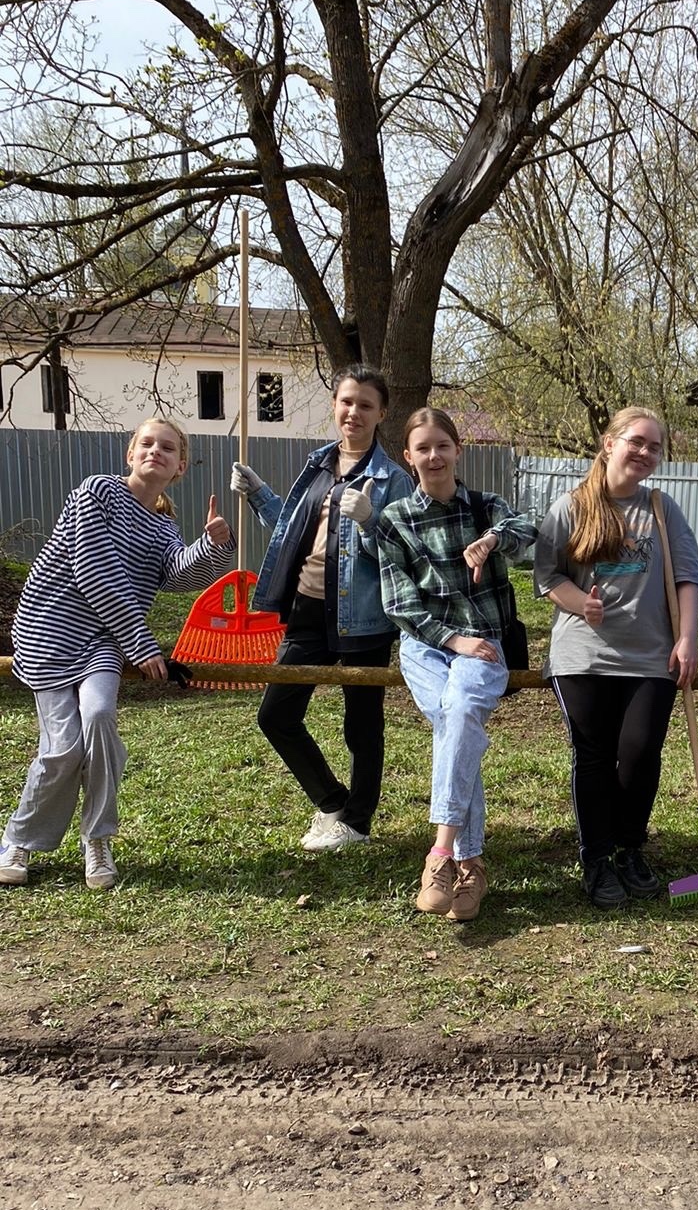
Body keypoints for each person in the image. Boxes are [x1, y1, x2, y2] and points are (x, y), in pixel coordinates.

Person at [0, 417, 234, 890]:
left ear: (180, 467)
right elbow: (94, 570)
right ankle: (18, 839)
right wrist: (142, 645)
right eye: (146, 443)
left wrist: (214, 545)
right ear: (130, 454)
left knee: (101, 717)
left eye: (167, 448)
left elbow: (179, 575)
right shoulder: (98, 492)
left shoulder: (163, 526)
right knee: (64, 748)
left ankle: (97, 838)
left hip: (104, 642)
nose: (155, 451)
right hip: (50, 632)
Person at [232, 363, 413, 851]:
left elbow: (405, 553)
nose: (354, 412)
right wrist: (259, 496)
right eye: (347, 402)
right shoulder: (318, 465)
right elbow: (295, 531)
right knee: (276, 715)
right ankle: (333, 802)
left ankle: (357, 822)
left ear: (382, 414)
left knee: (362, 725)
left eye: (366, 405)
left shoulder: (392, 479)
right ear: (335, 405)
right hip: (308, 609)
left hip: (364, 617)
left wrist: (372, 521)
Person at [534, 406, 698, 910]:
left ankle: (630, 848)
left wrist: (687, 639)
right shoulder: (570, 506)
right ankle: (597, 858)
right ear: (609, 444)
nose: (646, 452)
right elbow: (547, 574)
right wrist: (578, 603)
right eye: (637, 442)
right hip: (583, 656)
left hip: (651, 655)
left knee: (639, 752)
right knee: (594, 756)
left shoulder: (662, 509)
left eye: (655, 446)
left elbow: (688, 577)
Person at [374, 407, 536, 923]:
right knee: (455, 723)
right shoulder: (394, 520)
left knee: (459, 713)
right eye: (423, 448)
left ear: (458, 450)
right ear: (408, 456)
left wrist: (492, 540)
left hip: (486, 640)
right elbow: (399, 603)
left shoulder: (487, 507)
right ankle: (471, 866)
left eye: (443, 446)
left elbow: (527, 529)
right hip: (426, 645)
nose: (434, 456)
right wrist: (451, 639)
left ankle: (442, 852)